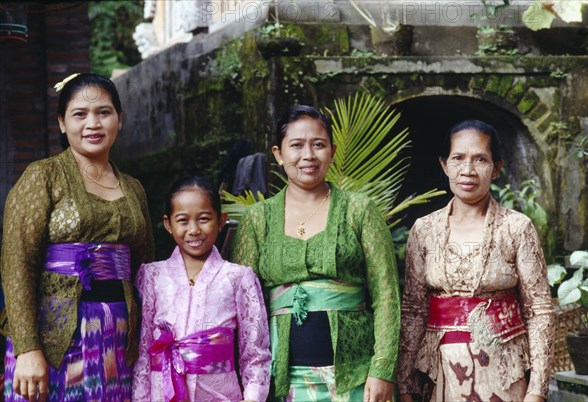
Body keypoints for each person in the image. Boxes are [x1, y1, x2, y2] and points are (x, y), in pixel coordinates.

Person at [0, 72, 155, 401]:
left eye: (103, 112)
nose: (93, 123)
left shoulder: (134, 188)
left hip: (118, 338)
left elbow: (147, 270)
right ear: (61, 123)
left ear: (120, 119)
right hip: (53, 338)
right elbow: (17, 265)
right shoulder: (43, 177)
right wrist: (27, 348)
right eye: (79, 114)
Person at [231, 105, 401, 402]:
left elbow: (386, 294)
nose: (308, 155)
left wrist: (382, 369)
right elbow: (244, 309)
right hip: (282, 381)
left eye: (318, 145)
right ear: (278, 154)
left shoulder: (359, 210)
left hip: (357, 377)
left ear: (332, 151)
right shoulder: (257, 219)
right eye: (296, 145)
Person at [396, 120, 555, 402]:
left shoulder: (517, 228)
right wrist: (405, 385)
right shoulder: (424, 230)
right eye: (458, 158)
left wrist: (536, 391)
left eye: (480, 159)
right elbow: (413, 310)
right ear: (444, 165)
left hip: (505, 375)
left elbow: (539, 310)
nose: (467, 170)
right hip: (442, 372)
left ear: (496, 168)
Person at [132, 176, 271, 402]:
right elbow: (142, 352)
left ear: (221, 220)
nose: (194, 230)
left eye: (204, 219)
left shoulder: (238, 278)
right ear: (168, 224)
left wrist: (253, 398)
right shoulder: (152, 276)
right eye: (183, 220)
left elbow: (255, 354)